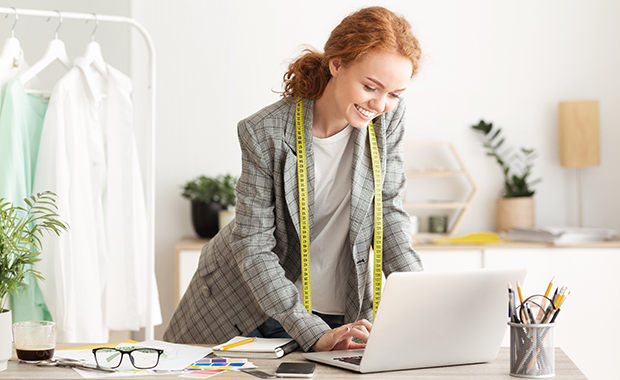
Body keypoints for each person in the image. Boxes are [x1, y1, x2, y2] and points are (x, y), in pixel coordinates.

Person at [164, 6, 423, 352]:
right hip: (249, 303)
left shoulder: (387, 120)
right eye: (370, 87)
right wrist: (311, 331)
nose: (379, 104)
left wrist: (423, 297)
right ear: (337, 64)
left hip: (341, 307)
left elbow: (387, 212)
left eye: (394, 94)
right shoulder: (264, 132)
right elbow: (253, 247)